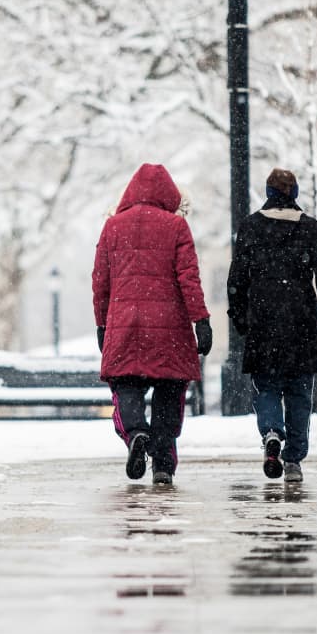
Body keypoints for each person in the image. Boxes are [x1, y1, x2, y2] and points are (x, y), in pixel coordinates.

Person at [93, 163, 212, 485]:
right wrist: (200, 319)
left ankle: (135, 433)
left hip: (125, 324)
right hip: (169, 325)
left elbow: (100, 282)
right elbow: (189, 278)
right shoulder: (176, 226)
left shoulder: (112, 227)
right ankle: (162, 465)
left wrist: (102, 325)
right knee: (169, 391)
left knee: (127, 385)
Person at [227, 168, 317, 484]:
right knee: (299, 392)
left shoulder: (251, 227)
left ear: (267, 193)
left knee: (266, 387)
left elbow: (236, 279)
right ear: (295, 194)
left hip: (263, 322)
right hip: (300, 322)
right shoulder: (309, 228)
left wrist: (240, 318)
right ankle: (293, 459)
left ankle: (270, 432)